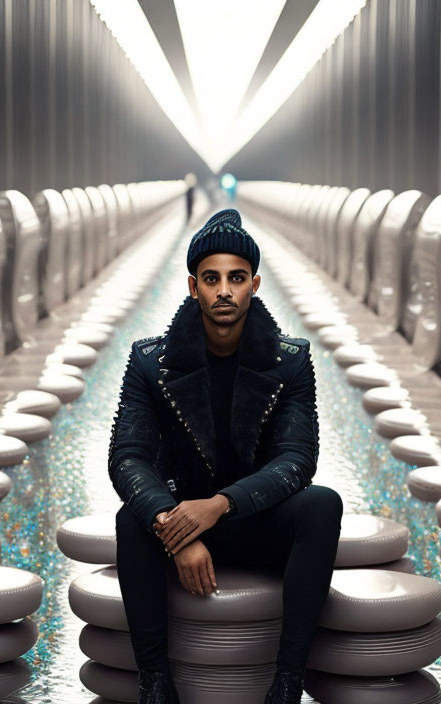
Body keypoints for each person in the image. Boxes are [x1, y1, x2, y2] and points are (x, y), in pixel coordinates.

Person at [108, 209, 343, 704]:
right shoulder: (152, 362)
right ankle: (155, 684)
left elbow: (298, 459)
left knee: (323, 505)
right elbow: (127, 456)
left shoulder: (290, 360)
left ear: (254, 284)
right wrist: (174, 530)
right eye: (211, 279)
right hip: (180, 516)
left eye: (236, 278)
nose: (224, 291)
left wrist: (218, 505)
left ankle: (287, 684)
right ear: (193, 287)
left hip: (253, 518)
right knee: (130, 520)